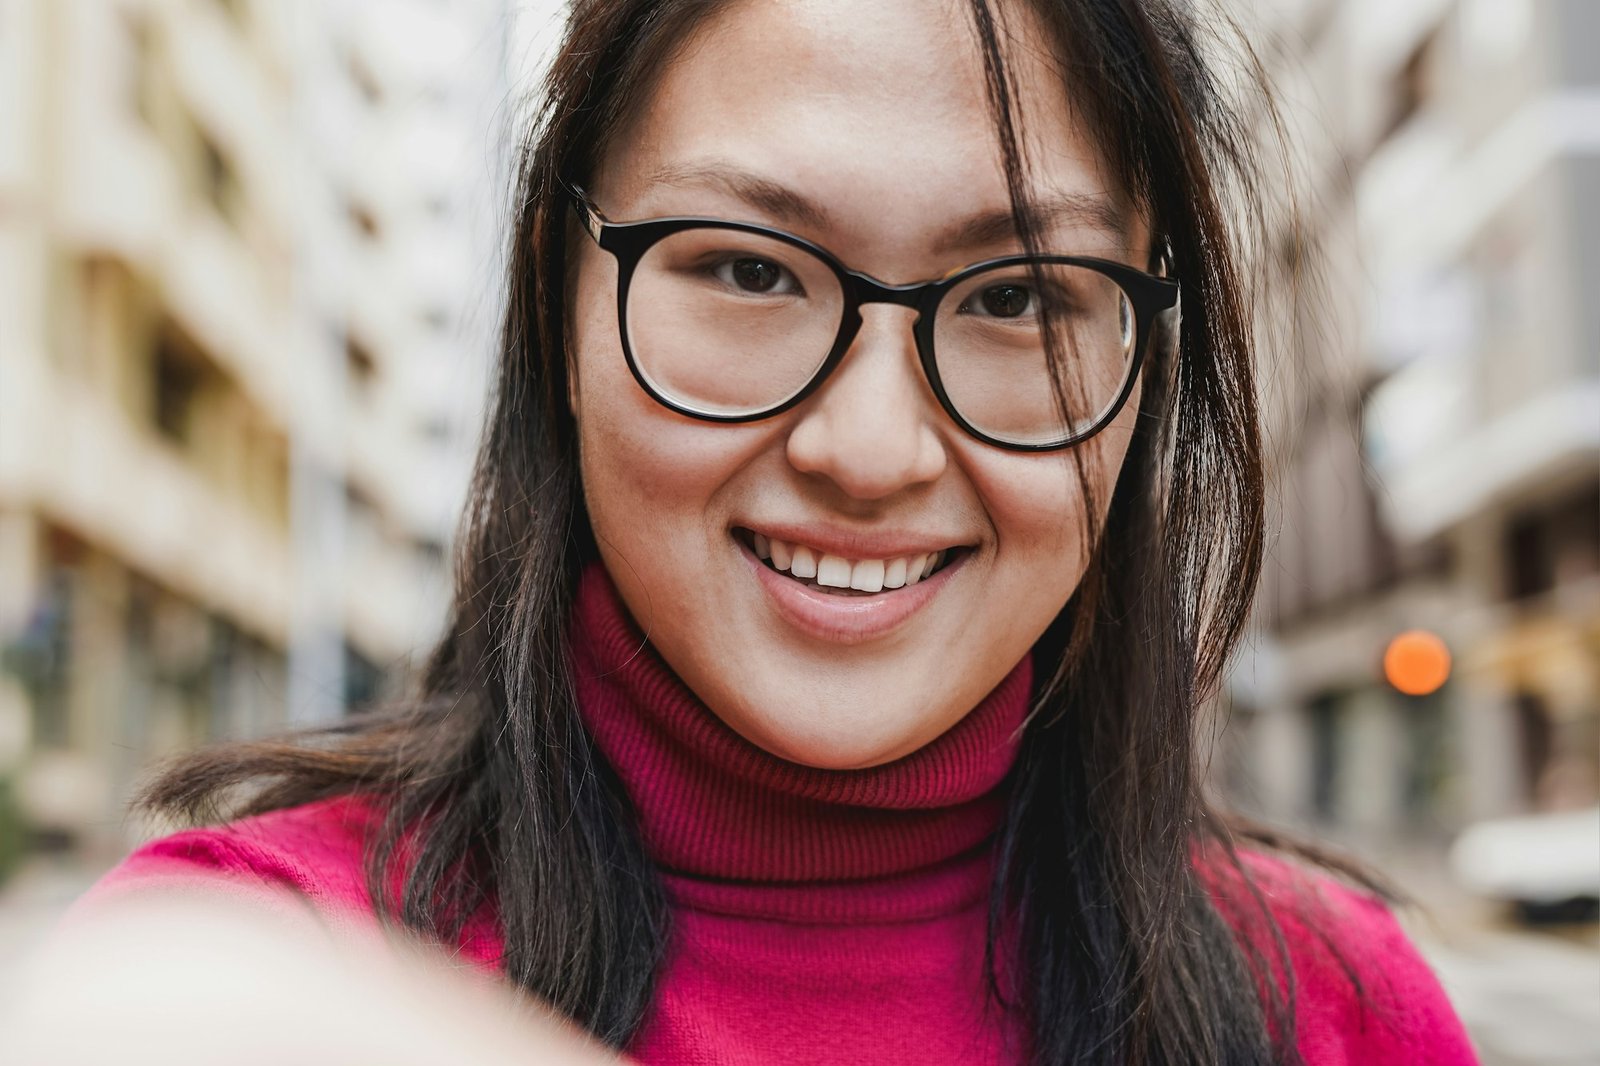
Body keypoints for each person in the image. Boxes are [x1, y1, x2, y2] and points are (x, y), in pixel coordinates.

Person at [39, 0, 1480, 1063]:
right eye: (743, 267)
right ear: (561, 297)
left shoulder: (1338, 1011)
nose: (869, 449)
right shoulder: (250, 976)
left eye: (1021, 298)